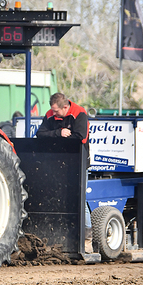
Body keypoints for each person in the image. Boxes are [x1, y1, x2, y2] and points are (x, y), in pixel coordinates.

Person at [36, 93, 91, 240]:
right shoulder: (50, 115)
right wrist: (58, 133)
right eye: (52, 111)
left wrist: (57, 138)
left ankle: (87, 237)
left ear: (65, 107)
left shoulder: (79, 114)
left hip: (78, 162)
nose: (54, 114)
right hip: (57, 163)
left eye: (56, 111)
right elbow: (40, 134)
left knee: (80, 198)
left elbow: (81, 137)